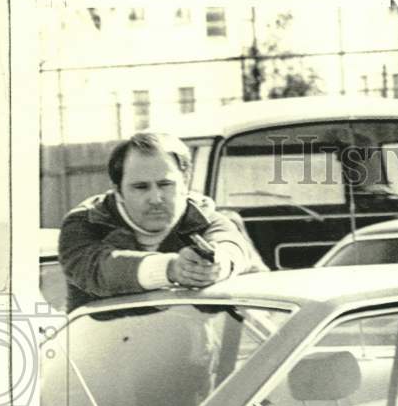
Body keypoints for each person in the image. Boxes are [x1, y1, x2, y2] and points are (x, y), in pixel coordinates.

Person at [58, 131, 254, 311]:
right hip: (104, 346)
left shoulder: (207, 218)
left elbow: (232, 247)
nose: (155, 198)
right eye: (141, 187)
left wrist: (219, 265)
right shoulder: (86, 223)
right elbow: (97, 270)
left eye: (165, 184)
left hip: (192, 347)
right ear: (118, 191)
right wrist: (171, 269)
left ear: (185, 182)